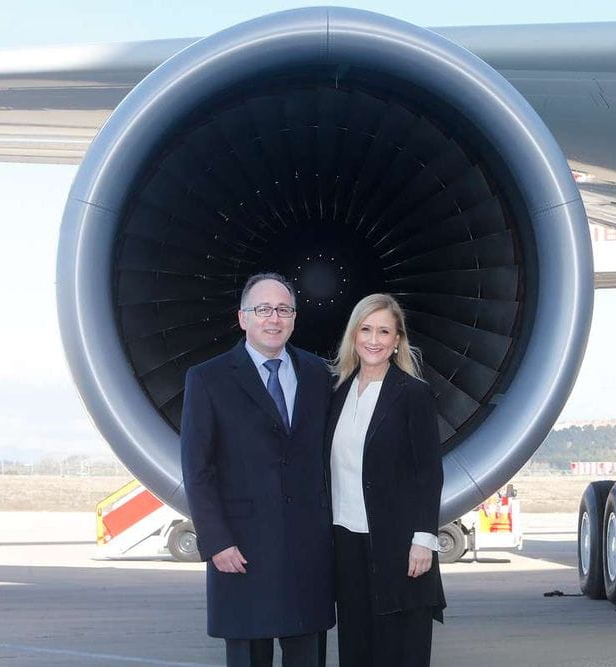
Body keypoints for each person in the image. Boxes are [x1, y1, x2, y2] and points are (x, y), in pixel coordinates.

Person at [180, 273, 334, 667]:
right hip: (240, 550)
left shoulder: (318, 374)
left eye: (283, 310)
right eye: (262, 309)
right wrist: (216, 541)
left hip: (307, 550)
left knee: (307, 654)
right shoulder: (207, 378)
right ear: (242, 318)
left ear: (294, 319)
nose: (273, 318)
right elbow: (197, 469)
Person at [326, 293, 446, 667]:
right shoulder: (338, 393)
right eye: (365, 329)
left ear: (397, 341)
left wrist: (424, 539)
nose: (373, 340)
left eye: (383, 331)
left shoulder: (413, 394)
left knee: (400, 647)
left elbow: (428, 472)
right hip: (346, 541)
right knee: (356, 646)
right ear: (353, 336)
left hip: (399, 546)